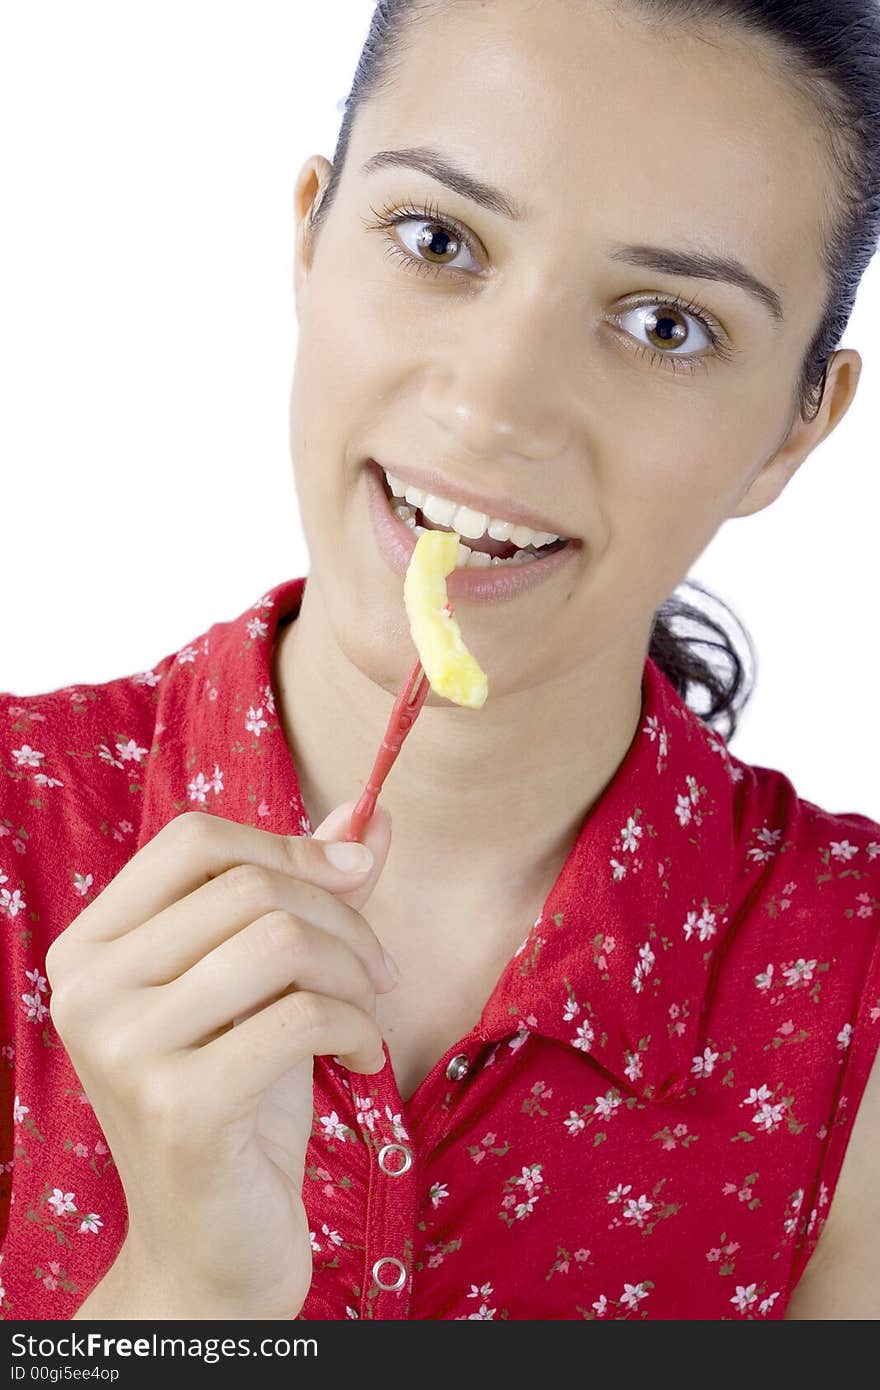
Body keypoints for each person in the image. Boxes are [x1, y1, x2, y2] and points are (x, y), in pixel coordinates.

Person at [1, 0, 878, 1322]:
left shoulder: (852, 993)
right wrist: (186, 1288)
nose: (495, 405)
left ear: (795, 429)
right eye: (439, 240)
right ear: (309, 232)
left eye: (666, 324)